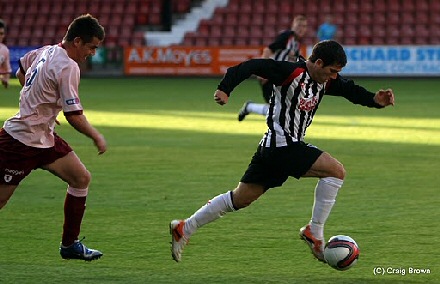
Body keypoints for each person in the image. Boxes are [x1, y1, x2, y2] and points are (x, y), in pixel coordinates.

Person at [170, 40, 395, 263]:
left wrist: (374, 100)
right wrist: (225, 88)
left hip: (271, 148)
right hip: (282, 145)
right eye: (332, 70)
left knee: (240, 199)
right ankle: (314, 231)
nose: (334, 76)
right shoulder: (290, 71)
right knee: (336, 171)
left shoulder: (324, 81)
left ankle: (184, 227)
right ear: (318, 62)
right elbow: (250, 66)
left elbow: (350, 90)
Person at [0, 14, 106, 261]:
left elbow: (21, 71)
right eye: (92, 47)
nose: (92, 53)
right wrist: (96, 136)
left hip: (43, 138)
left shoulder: (46, 50)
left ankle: (70, 245)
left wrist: (40, 104)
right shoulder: (68, 66)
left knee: (81, 178)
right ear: (77, 41)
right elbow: (74, 115)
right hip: (20, 142)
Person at [238, 15, 308, 121]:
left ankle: (249, 107)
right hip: (271, 76)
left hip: (281, 79)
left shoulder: (296, 43)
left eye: (303, 26)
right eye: (299, 25)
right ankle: (250, 107)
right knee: (280, 111)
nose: (301, 28)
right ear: (293, 26)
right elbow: (268, 50)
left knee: (281, 111)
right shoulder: (287, 36)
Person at [0, 19, 11, 88]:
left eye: (1, 33)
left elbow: (7, 70)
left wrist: (6, 80)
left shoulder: (4, 50)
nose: (0, 36)